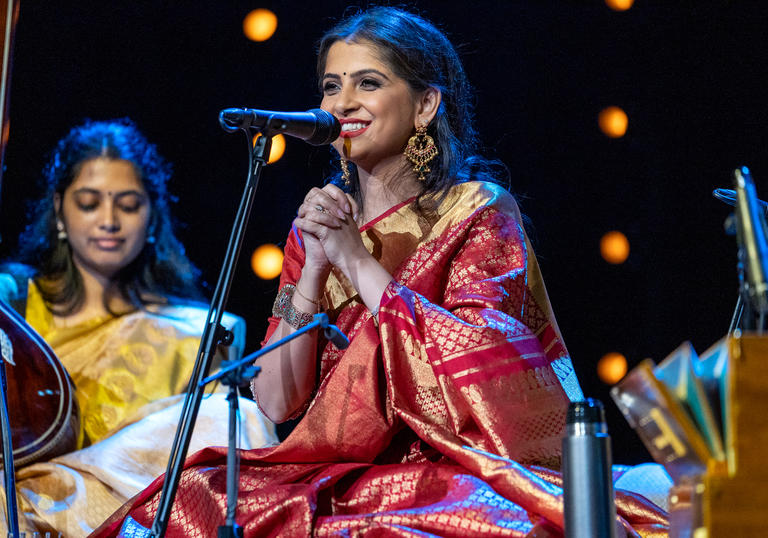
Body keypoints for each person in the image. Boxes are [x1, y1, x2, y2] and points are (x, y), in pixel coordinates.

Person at [94, 8, 668, 537]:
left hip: (451, 467)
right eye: (331, 85)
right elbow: (274, 402)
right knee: (193, 495)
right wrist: (315, 268)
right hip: (334, 471)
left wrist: (355, 260)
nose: (342, 103)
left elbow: (485, 373)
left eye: (368, 83)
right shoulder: (315, 228)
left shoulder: (477, 210)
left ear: (424, 106)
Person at [0, 119, 277, 536]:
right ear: (59, 210)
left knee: (232, 418)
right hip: (15, 507)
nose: (109, 220)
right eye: (89, 203)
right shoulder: (12, 302)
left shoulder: (192, 334)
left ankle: (67, 491)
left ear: (151, 214)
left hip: (131, 517)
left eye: (128, 205)